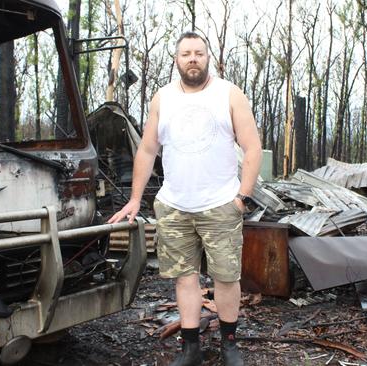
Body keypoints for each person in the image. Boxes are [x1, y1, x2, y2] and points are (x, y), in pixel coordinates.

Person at [108, 31, 261, 366]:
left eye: (199, 53)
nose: (193, 59)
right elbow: (147, 150)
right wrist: (135, 199)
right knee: (184, 278)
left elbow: (252, 147)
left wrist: (242, 198)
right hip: (175, 206)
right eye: (186, 54)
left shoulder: (229, 94)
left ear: (209, 58)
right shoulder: (162, 98)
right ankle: (190, 348)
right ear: (176, 60)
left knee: (226, 277)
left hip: (221, 203)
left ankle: (229, 344)